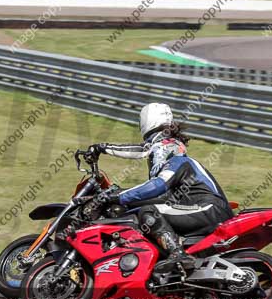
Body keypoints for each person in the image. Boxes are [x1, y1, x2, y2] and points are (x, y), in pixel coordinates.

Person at [90, 103, 234, 272]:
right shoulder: (174, 160)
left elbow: (156, 185)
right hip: (201, 209)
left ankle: (178, 254)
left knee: (149, 212)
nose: (153, 156)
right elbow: (143, 152)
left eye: (156, 152)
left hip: (209, 209)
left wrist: (117, 196)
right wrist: (103, 148)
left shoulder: (178, 162)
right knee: (140, 209)